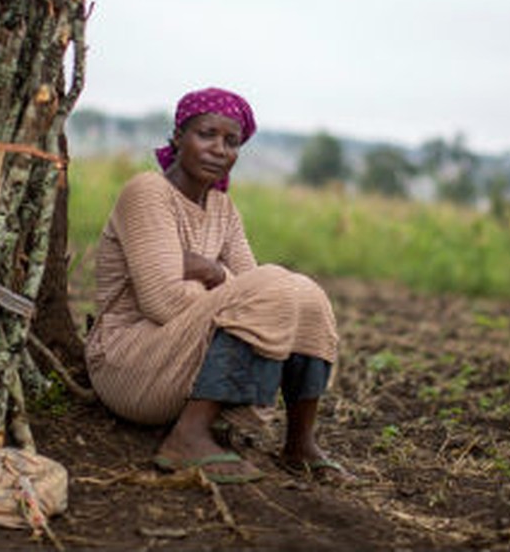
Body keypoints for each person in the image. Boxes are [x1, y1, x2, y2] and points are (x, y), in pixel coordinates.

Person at [84, 87, 351, 484]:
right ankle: (187, 438)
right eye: (205, 134)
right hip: (131, 362)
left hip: (185, 357)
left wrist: (210, 273)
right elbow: (162, 303)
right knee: (274, 288)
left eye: (232, 141)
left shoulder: (224, 210)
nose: (219, 149)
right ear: (178, 137)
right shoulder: (148, 192)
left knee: (305, 294)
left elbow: (258, 291)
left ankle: (300, 443)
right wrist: (225, 290)